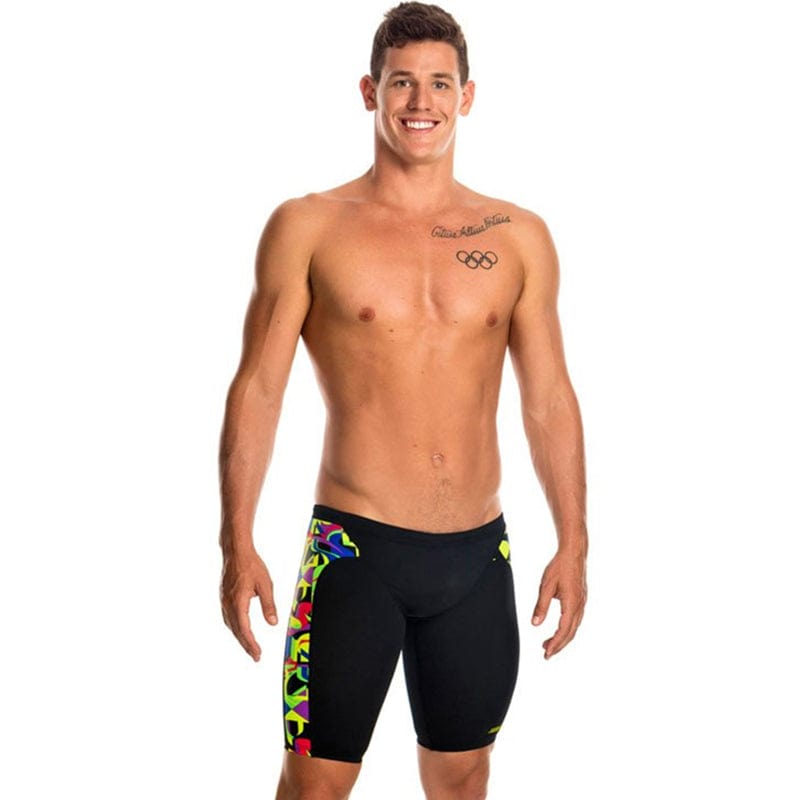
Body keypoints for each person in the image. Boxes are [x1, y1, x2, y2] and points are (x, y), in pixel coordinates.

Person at [218, 3, 588, 798]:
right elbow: (259, 389)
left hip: (477, 558)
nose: (422, 102)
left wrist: (575, 542)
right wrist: (236, 542)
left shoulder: (518, 235)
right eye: (402, 83)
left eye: (440, 84)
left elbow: (549, 399)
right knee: (315, 787)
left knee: (463, 781)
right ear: (370, 91)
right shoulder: (309, 226)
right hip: (355, 552)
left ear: (468, 96)